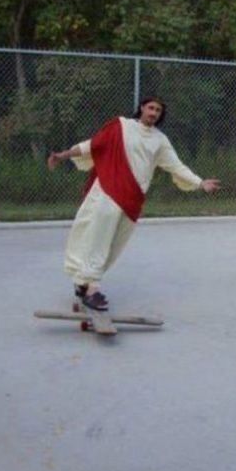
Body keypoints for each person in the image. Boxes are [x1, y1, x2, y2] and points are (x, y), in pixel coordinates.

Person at [47, 97, 221, 311]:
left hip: (132, 198)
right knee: (98, 237)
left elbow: (176, 166)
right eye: (150, 107)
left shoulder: (160, 140)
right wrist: (63, 155)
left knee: (115, 243)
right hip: (107, 191)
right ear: (141, 108)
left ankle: (83, 282)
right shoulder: (121, 126)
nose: (153, 112)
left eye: (158, 110)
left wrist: (200, 182)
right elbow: (92, 145)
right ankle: (92, 288)